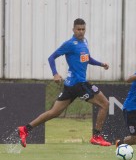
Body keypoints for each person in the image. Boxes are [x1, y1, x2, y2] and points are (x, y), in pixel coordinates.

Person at [18, 18, 111, 147]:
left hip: (71, 85)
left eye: (83, 29)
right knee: (105, 104)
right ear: (73, 30)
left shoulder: (84, 41)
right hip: (79, 84)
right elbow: (51, 57)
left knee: (54, 113)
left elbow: (87, 58)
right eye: (78, 29)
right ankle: (96, 136)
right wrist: (55, 73)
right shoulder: (69, 44)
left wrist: (101, 64)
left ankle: (25, 129)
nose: (81, 32)